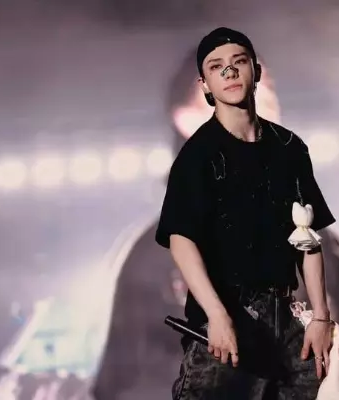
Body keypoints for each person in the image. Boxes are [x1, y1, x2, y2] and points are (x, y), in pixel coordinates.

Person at [92, 39, 284, 400]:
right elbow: (124, 386)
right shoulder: (157, 256)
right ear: (188, 120)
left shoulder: (314, 245)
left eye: (264, 90)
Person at [155, 27, 336, 399]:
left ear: (256, 71)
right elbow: (181, 240)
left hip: (287, 317)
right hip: (226, 317)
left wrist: (321, 317)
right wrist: (216, 315)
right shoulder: (197, 156)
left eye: (239, 62)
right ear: (205, 85)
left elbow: (308, 237)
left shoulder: (289, 148)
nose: (230, 71)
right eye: (217, 66)